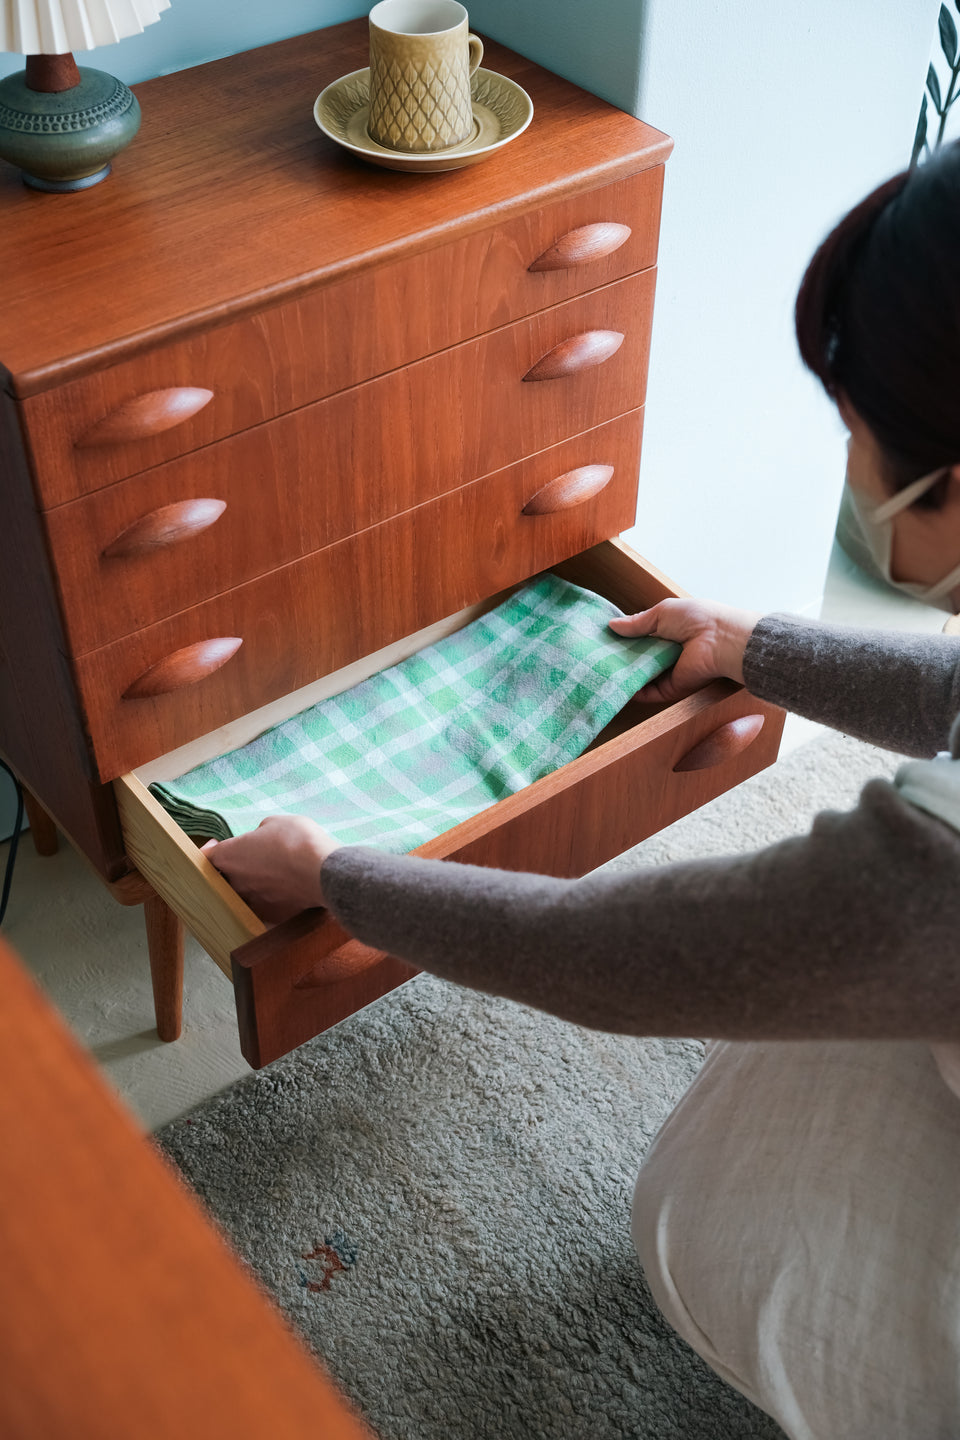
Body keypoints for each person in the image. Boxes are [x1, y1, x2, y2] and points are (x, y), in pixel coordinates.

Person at [204, 143, 960, 1438]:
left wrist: (332, 877)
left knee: (729, 1230)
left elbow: (608, 956)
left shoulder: (931, 878)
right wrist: (762, 649)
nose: (853, 474)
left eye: (854, 434)